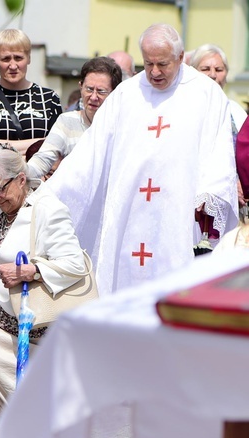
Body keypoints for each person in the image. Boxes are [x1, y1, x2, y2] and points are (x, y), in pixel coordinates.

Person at [45, 23, 239, 295]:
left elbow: (220, 153)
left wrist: (210, 194)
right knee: (122, 280)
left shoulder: (206, 94)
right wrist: (48, 196)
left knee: (174, 283)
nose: (155, 72)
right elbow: (91, 151)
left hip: (177, 212)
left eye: (163, 64)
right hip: (129, 210)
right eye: (148, 64)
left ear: (181, 57)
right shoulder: (125, 94)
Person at [0, 146, 85, 434]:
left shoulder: (48, 209)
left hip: (30, 327)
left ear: (21, 179)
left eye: (0, 190)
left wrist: (31, 270)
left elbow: (74, 264)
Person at [0, 29, 62, 158]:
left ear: (29, 58)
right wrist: (40, 143)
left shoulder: (49, 99)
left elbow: (57, 146)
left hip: (39, 176)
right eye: (5, 59)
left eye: (18, 58)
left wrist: (1, 146)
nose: (13, 65)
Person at [27, 57, 122, 179]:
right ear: (80, 87)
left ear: (114, 93)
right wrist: (20, 177)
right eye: (89, 89)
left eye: (101, 91)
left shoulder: (123, 126)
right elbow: (43, 159)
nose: (93, 97)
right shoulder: (66, 122)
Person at [190, 44, 247, 136]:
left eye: (219, 70)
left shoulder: (236, 111)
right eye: (205, 69)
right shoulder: (185, 107)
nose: (213, 75)